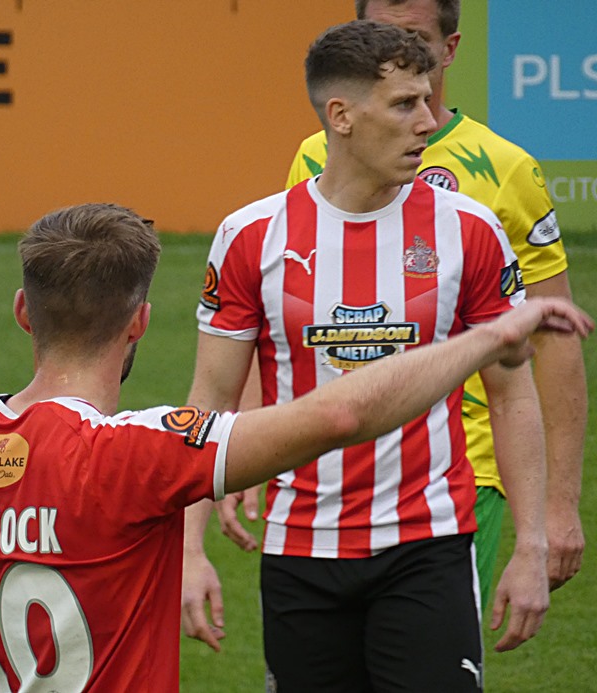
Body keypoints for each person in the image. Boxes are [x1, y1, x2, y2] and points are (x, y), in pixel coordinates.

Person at [0, 204, 590, 692]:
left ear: (25, 311)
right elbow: (338, 414)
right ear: (139, 323)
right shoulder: (134, 453)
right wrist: (490, 334)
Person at [181, 19, 574, 692]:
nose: (428, 120)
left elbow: (512, 395)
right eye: (405, 104)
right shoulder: (249, 236)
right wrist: (186, 551)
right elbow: (208, 403)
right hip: (299, 547)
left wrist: (532, 545)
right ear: (341, 116)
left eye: (427, 100)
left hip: (430, 545)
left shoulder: (470, 232)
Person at [274, 0, 587, 608]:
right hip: (331, 462)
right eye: (377, 37)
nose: (391, 56)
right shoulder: (314, 156)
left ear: (449, 48)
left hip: (463, 468)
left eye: (412, 38)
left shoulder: (505, 168)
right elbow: (282, 317)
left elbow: (552, 336)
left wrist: (558, 505)